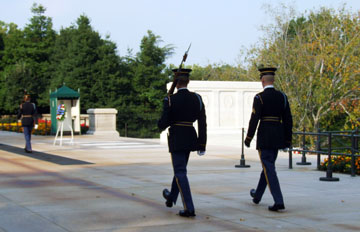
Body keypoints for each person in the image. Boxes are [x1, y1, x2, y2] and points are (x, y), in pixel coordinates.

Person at [158, 68, 207, 217]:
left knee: (180, 171)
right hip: (190, 137)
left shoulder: (171, 99)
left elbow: (162, 124)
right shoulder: (197, 98)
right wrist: (202, 143)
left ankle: (189, 208)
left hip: (177, 138)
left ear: (176, 83)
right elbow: (202, 122)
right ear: (188, 81)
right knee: (180, 170)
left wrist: (165, 109)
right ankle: (172, 197)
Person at [244, 67, 293, 212]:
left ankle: (279, 200)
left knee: (269, 168)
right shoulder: (282, 96)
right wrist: (287, 140)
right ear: (273, 80)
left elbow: (254, 119)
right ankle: (257, 195)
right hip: (278, 136)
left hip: (265, 136)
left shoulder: (259, 97)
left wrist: (248, 138)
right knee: (268, 166)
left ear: (263, 81)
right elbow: (288, 120)